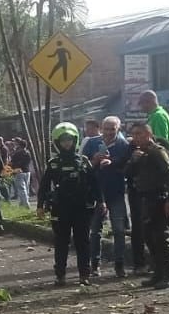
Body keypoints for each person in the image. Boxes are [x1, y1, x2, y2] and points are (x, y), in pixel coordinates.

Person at [38, 122, 100, 286]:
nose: (67, 143)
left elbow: (94, 184)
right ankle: (60, 275)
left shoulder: (83, 161)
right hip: (60, 209)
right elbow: (44, 186)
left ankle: (84, 275)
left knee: (82, 242)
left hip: (81, 208)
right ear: (57, 142)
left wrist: (100, 202)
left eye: (70, 139)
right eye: (63, 140)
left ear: (75, 140)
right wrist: (40, 205)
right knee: (61, 243)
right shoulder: (53, 164)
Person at [124, 122, 169, 289]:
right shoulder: (140, 154)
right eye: (134, 134)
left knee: (161, 237)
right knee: (148, 236)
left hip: (159, 198)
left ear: (148, 134)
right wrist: (133, 161)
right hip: (145, 199)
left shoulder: (157, 151)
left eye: (140, 134)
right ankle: (158, 273)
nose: (136, 137)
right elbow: (127, 173)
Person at [84, 116, 132, 278]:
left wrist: (113, 163)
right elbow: (83, 168)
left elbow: (128, 167)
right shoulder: (91, 143)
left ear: (119, 128)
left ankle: (119, 264)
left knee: (119, 230)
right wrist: (94, 160)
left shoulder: (124, 145)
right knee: (95, 231)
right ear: (101, 128)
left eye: (113, 128)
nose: (109, 132)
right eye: (107, 128)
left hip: (116, 193)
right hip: (96, 194)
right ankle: (95, 265)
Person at [9, 139, 33, 208]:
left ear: (19, 145)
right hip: (27, 171)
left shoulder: (17, 153)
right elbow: (29, 161)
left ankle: (26, 204)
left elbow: (12, 162)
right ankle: (22, 203)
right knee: (26, 188)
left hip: (19, 171)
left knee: (21, 189)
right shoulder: (28, 152)